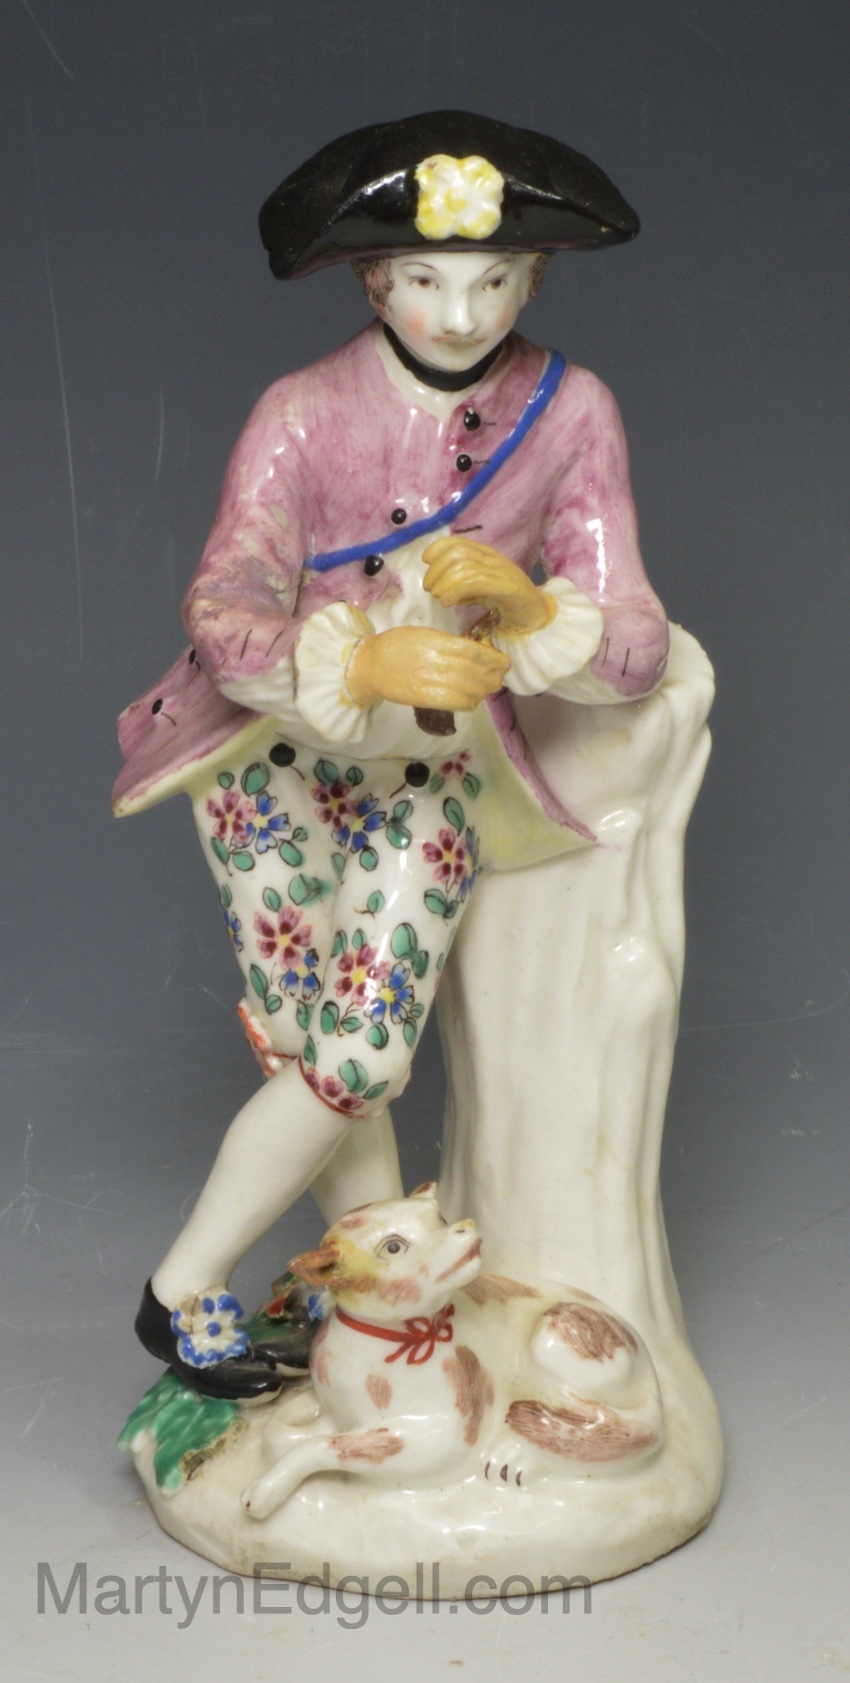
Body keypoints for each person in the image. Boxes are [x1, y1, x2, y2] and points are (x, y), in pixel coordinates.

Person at [113, 111, 668, 1397]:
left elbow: (634, 643)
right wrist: (358, 663)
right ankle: (354, 1302)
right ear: (373, 281)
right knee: (307, 1043)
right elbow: (222, 610)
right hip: (269, 763)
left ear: (535, 278)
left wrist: (529, 613)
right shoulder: (301, 413)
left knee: (358, 1053)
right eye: (424, 278)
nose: (459, 314)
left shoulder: (572, 412)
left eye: (492, 280)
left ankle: (180, 1286)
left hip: (429, 779)